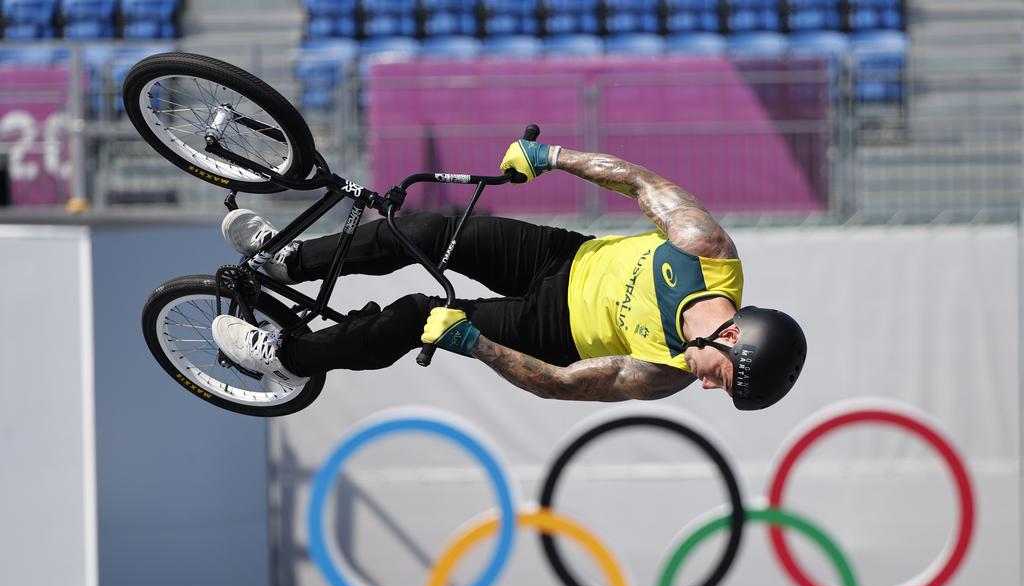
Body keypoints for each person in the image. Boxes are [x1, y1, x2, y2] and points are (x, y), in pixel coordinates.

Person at [211, 140, 806, 409]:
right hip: (564, 257)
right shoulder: (705, 250)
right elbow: (637, 181)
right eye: (722, 380)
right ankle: (286, 260)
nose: (706, 387)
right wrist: (552, 158)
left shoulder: (662, 373)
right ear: (730, 338)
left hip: (548, 328)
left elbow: (561, 383)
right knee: (422, 231)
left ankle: (287, 355)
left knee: (417, 316)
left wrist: (477, 346)